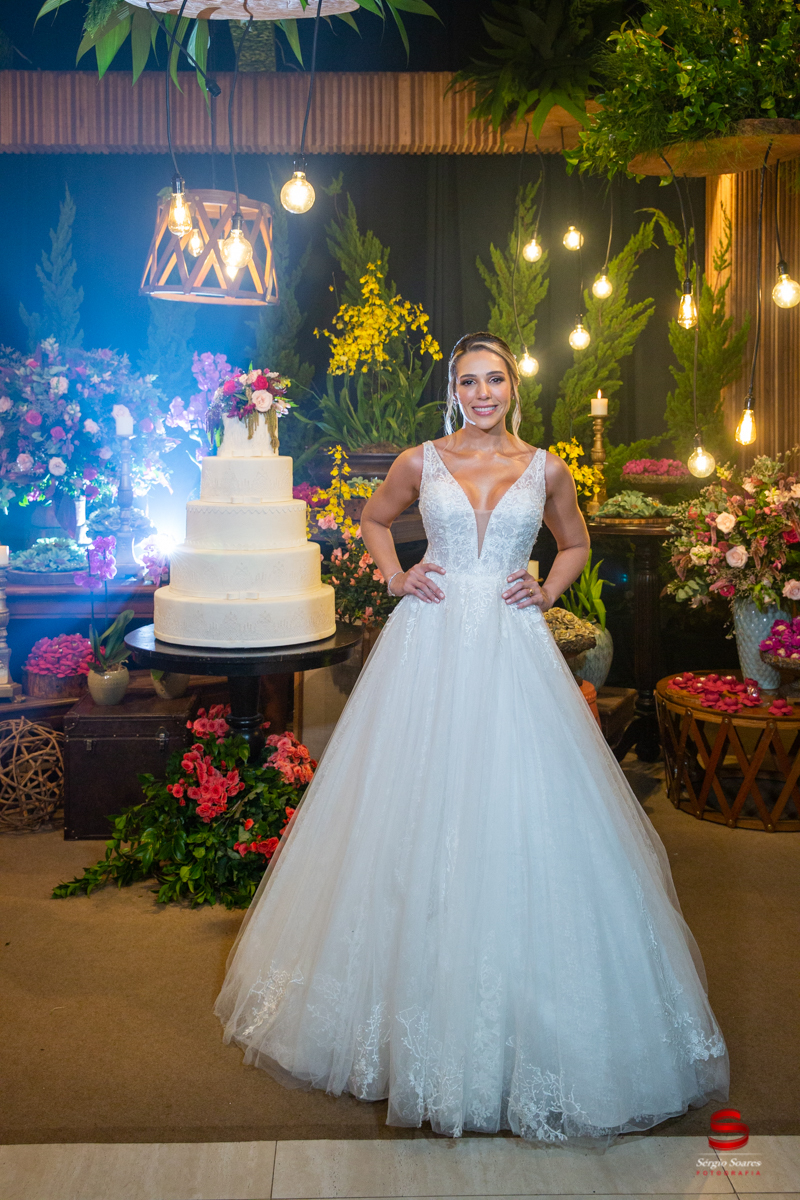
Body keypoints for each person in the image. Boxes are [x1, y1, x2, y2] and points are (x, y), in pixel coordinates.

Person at [214, 331, 729, 1150]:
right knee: (411, 813)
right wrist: (396, 574)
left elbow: (576, 542)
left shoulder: (547, 467)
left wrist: (547, 587)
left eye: (494, 379)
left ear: (513, 387)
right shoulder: (421, 460)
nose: (483, 392)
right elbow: (373, 520)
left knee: (525, 818)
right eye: (469, 381)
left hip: (513, 648)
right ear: (453, 391)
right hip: (430, 644)